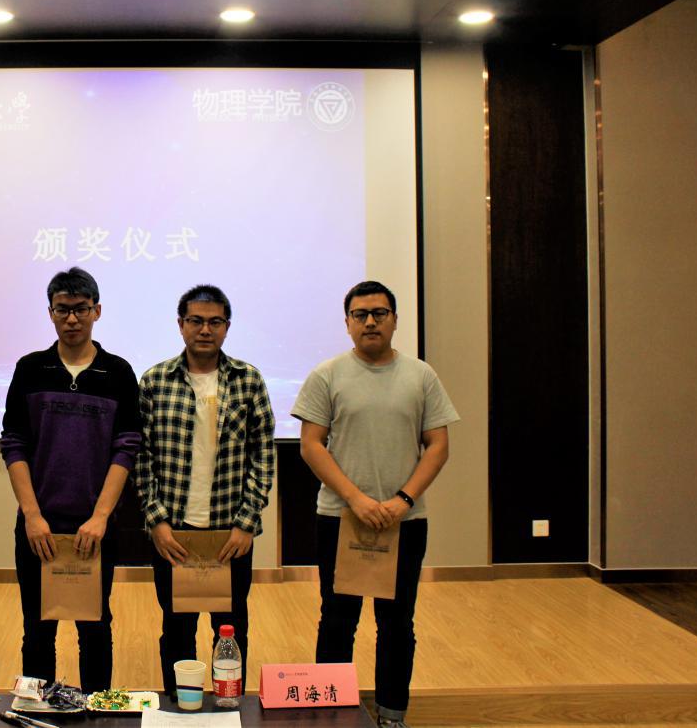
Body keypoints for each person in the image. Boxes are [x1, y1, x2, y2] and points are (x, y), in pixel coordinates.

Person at [292, 280, 459, 728]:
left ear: (395, 320)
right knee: (337, 619)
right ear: (347, 322)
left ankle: (391, 713)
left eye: (379, 313)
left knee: (397, 621)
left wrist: (403, 500)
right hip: (341, 518)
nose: (370, 322)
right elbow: (311, 445)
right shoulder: (327, 375)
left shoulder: (421, 376)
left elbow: (438, 445)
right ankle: (330, 711)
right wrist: (356, 499)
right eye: (360, 314)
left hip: (405, 521)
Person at [0, 267, 142, 691]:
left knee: (95, 629)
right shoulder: (30, 369)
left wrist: (100, 517)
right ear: (50, 313)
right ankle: (38, 712)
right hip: (39, 528)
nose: (72, 318)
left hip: (94, 529)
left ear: (97, 310)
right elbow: (14, 444)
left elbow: (126, 448)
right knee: (36, 630)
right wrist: (32, 516)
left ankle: (97, 711)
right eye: (62, 309)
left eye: (81, 309)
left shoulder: (118, 372)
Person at [135, 284, 275, 698]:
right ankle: (180, 708)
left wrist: (246, 523)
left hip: (229, 534)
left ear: (227, 327)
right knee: (176, 630)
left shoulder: (248, 380)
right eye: (195, 321)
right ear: (180, 325)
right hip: (174, 534)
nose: (205, 330)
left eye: (215, 322)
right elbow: (141, 456)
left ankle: (228, 707)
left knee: (230, 629)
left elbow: (263, 455)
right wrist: (157, 522)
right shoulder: (155, 381)